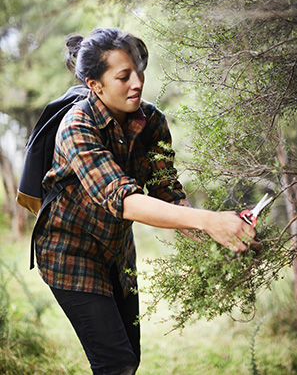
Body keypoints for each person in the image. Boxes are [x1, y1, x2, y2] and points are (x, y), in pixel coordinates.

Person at [34, 27, 256, 375]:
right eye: (124, 76)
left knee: (130, 359)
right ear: (95, 84)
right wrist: (209, 220)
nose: (136, 83)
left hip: (118, 250)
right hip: (69, 253)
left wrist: (224, 233)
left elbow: (167, 193)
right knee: (116, 363)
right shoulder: (76, 126)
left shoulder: (152, 121)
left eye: (140, 72)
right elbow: (124, 201)